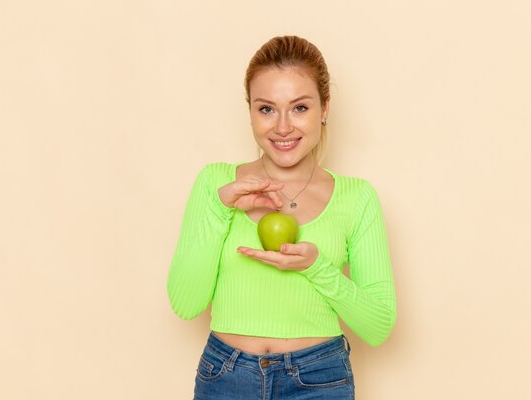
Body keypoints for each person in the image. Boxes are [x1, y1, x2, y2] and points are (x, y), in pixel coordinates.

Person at [167, 35, 396, 400]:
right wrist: (220, 207)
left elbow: (378, 326)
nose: (283, 127)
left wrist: (316, 267)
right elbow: (186, 303)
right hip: (225, 377)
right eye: (267, 109)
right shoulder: (216, 183)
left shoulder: (357, 197)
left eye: (300, 108)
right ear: (250, 112)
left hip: (319, 379)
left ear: (324, 108)